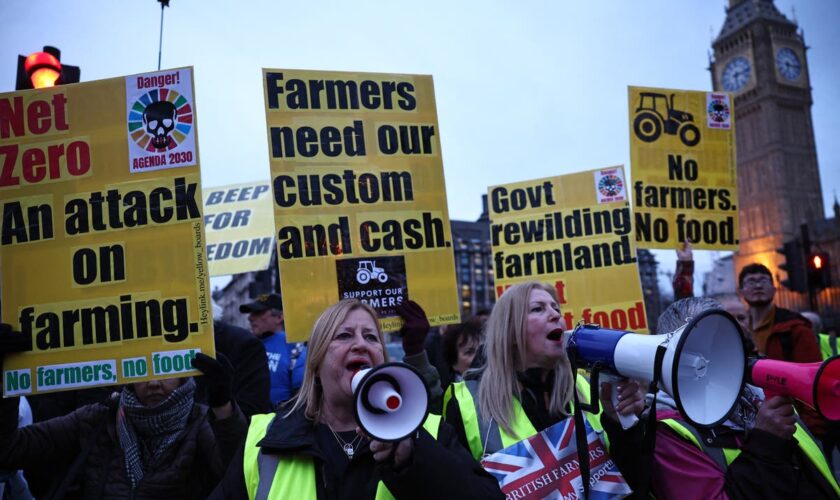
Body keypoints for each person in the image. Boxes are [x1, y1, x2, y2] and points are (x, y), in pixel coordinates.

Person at [211, 299, 503, 499]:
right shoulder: (264, 437)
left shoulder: (428, 431)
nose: (361, 344)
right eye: (344, 336)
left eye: (372, 337)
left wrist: (416, 459)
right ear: (316, 360)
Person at [442, 281, 648, 496]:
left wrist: (623, 428)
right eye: (537, 309)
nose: (555, 315)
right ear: (510, 332)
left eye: (556, 308)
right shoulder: (466, 401)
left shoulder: (584, 387)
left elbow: (631, 480)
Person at [0, 322, 247, 499]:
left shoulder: (200, 421)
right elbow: (10, 450)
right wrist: (2, 381)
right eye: (142, 370)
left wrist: (223, 406)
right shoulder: (97, 417)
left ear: (184, 375)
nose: (153, 383)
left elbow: (239, 474)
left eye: (165, 369)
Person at [651, 297, 839, 499]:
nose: (721, 351)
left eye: (723, 338)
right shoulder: (667, 431)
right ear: (674, 354)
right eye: (705, 344)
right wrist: (767, 443)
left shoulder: (757, 396)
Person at [738, 263, 826, 440]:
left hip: (793, 427)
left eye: (763, 280)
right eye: (751, 282)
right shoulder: (738, 330)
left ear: (774, 288)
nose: (757, 285)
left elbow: (813, 382)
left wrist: (813, 433)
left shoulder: (795, 328)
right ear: (741, 291)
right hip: (755, 428)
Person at [195, 319, 272, 418]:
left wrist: (221, 402)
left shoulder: (242, 343)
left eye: (259, 313)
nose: (250, 317)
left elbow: (252, 414)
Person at [240, 293, 307, 405]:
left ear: (279, 317)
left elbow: (302, 390)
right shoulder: (245, 345)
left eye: (258, 312)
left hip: (284, 418)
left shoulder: (294, 346)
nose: (250, 317)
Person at [441, 318, 482, 389]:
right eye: (469, 352)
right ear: (454, 363)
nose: (479, 357)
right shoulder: (451, 397)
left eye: (482, 350)